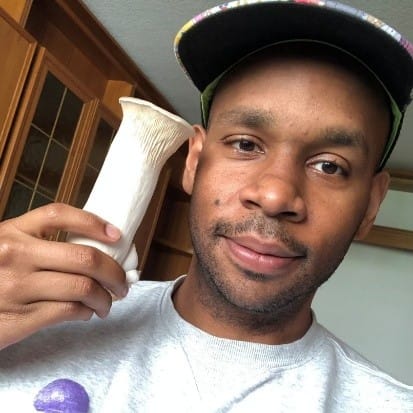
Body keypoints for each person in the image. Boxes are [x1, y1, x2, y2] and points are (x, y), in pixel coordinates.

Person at [0, 0, 412, 411]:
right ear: (194, 162)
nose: (274, 196)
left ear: (371, 205)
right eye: (246, 144)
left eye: (329, 166)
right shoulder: (21, 324)